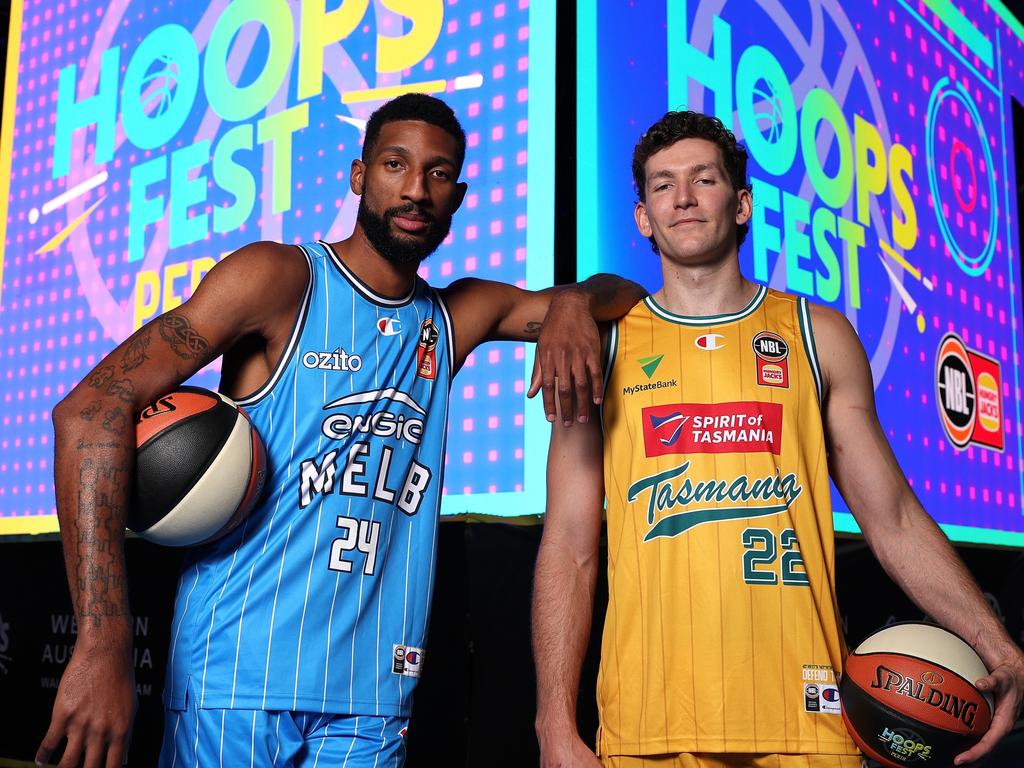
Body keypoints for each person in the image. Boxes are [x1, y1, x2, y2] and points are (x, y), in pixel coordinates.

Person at [37, 93, 644, 768]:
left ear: (458, 195)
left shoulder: (453, 315)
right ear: (359, 176)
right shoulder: (279, 278)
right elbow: (90, 409)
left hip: (374, 701)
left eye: (439, 174)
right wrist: (101, 644)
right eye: (395, 164)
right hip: (237, 679)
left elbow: (628, 294)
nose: (416, 189)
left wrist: (570, 302)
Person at [532, 110, 1024, 768]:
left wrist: (997, 644)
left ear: (740, 205)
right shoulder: (606, 345)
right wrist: (554, 724)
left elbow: (894, 518)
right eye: (662, 186)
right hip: (649, 728)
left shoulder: (818, 334)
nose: (682, 197)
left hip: (806, 727)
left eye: (703, 179)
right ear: (642, 218)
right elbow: (568, 547)